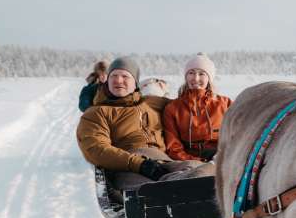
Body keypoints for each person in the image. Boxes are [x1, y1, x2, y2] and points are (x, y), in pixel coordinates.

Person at [76, 57, 214, 191]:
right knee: (153, 190)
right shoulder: (96, 113)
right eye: (114, 76)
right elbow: (96, 148)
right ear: (107, 80)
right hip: (127, 168)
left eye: (125, 76)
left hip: (164, 162)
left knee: (208, 170)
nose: (118, 80)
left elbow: (187, 110)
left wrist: (202, 87)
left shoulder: (153, 103)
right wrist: (139, 164)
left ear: (135, 82)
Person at [162, 52, 232, 162]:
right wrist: (195, 161)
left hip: (221, 158)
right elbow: (173, 146)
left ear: (209, 78)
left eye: (202, 74)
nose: (195, 78)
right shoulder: (173, 108)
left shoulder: (224, 104)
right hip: (188, 161)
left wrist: (221, 157)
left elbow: (236, 136)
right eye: (191, 73)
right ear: (186, 77)